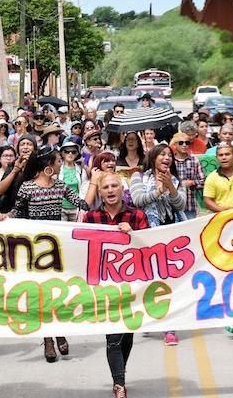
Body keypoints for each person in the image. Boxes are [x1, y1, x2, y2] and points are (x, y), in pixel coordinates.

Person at [0, 145, 92, 363]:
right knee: (42, 294)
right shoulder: (27, 188)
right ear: (48, 164)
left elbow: (82, 204)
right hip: (35, 250)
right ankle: (48, 338)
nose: (61, 164)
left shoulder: (61, 186)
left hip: (57, 248)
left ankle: (59, 331)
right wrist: (3, 216)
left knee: (57, 292)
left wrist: (102, 203)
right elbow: (17, 211)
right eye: (58, 161)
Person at [82, 171, 150, 398]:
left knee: (127, 335)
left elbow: (152, 248)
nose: (110, 190)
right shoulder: (91, 218)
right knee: (112, 337)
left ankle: (120, 370)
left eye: (114, 186)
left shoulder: (137, 215)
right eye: (106, 187)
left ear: (122, 189)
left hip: (132, 286)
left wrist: (135, 234)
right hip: (103, 287)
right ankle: (119, 384)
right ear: (99, 192)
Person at [129, 143, 186, 346]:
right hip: (147, 235)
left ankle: (169, 327)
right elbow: (137, 200)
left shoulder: (176, 181)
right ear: (153, 157)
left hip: (170, 235)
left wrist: (170, 187)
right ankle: (149, 314)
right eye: (162, 154)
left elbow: (181, 205)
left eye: (169, 155)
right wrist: (157, 191)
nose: (166, 158)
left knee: (168, 280)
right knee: (149, 279)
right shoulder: (139, 178)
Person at [203, 142, 233, 212]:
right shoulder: (211, 177)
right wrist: (225, 211)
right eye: (220, 155)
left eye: (227, 154)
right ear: (216, 158)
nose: (224, 157)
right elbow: (207, 201)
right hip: (221, 217)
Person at [169, 132, 205, 219]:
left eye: (187, 142)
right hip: (172, 206)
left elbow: (203, 181)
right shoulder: (170, 161)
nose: (184, 145)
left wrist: (192, 183)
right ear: (174, 145)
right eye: (181, 143)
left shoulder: (195, 160)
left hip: (189, 205)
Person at [58, 141, 88, 221]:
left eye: (73, 152)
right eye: (67, 152)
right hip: (61, 207)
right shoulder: (57, 169)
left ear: (77, 154)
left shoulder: (81, 171)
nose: (70, 154)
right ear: (62, 154)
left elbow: (83, 190)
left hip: (76, 208)